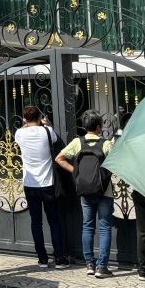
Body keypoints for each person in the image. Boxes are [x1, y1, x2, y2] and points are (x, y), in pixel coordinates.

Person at [55, 110, 114, 278]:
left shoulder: (77, 142)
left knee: (87, 227)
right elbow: (116, 164)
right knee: (105, 229)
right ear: (98, 127)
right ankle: (102, 267)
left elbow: (59, 159)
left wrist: (76, 174)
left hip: (84, 191)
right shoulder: (106, 144)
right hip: (105, 191)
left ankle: (89, 264)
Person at [15, 105, 67, 270]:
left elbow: (23, 129)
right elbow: (54, 140)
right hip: (47, 183)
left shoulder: (19, 133)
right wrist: (44, 123)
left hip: (30, 184)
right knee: (54, 221)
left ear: (24, 119)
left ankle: (42, 259)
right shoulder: (47, 131)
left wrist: (28, 123)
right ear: (39, 117)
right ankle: (59, 258)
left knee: (36, 222)